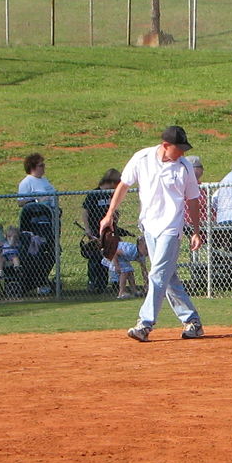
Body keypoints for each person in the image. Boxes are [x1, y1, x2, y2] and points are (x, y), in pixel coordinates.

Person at [100, 125, 205, 342]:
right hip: (149, 227)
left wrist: (195, 230)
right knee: (167, 276)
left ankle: (144, 324)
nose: (183, 153)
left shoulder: (184, 167)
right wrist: (109, 214)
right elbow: (124, 185)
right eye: (179, 148)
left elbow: (193, 199)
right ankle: (193, 321)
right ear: (165, 146)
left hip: (171, 229)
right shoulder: (142, 158)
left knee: (157, 273)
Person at [80, 168, 121, 293]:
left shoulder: (111, 194)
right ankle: (93, 282)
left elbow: (114, 211)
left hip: (110, 232)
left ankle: (108, 283)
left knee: (111, 256)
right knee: (96, 258)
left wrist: (116, 216)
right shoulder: (94, 194)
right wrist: (88, 229)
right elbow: (85, 211)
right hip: (96, 231)